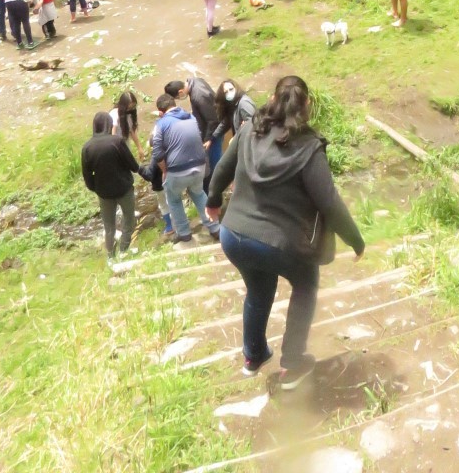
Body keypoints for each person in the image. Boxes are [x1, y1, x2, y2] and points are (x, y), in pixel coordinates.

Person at [207, 74, 365, 385]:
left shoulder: (250, 128)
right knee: (305, 283)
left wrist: (213, 201)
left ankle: (253, 356)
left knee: (258, 288)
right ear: (305, 105)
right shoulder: (308, 148)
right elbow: (329, 202)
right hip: (274, 242)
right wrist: (355, 240)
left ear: (274, 100)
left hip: (232, 234)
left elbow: (223, 168)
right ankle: (292, 364)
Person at [150, 96, 220, 243]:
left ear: (161, 112)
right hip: (200, 166)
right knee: (199, 193)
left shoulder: (161, 124)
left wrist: (164, 171)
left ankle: (184, 233)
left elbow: (157, 153)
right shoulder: (191, 117)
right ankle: (215, 228)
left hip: (177, 170)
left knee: (174, 199)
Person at [81, 112, 140, 259]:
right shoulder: (117, 141)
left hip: (104, 193)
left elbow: (87, 175)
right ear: (108, 124)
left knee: (109, 226)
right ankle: (123, 250)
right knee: (129, 218)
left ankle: (110, 255)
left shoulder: (87, 148)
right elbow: (132, 165)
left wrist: (96, 188)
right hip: (124, 188)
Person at [165, 76, 218, 186]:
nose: (180, 99)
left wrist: (208, 139)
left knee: (213, 159)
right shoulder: (193, 80)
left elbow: (212, 120)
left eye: (178, 97)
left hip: (213, 129)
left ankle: (216, 181)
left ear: (180, 91)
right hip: (206, 121)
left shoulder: (199, 97)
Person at [138, 96, 174, 238]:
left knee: (164, 204)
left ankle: (170, 226)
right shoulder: (172, 145)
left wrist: (137, 167)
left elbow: (150, 174)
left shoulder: (157, 157)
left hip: (160, 184)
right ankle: (181, 221)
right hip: (175, 177)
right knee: (175, 200)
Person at [208, 80, 256, 153]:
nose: (229, 93)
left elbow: (254, 125)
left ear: (236, 88)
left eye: (231, 89)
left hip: (248, 148)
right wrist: (212, 137)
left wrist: (238, 135)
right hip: (240, 144)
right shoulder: (233, 104)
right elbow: (226, 122)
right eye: (226, 92)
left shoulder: (244, 103)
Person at [110, 91, 145, 159]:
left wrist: (139, 148)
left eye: (133, 107)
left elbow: (132, 131)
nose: (131, 109)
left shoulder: (129, 115)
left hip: (125, 143)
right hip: (115, 146)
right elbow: (112, 134)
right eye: (129, 108)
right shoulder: (114, 114)